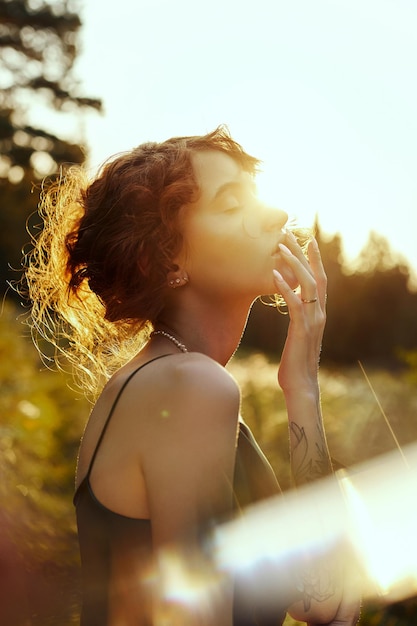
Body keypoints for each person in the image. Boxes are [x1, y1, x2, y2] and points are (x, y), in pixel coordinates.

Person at [25, 126, 359, 626]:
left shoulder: (191, 392)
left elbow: (324, 598)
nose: (274, 214)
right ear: (164, 260)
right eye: (230, 206)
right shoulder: (187, 388)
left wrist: (302, 387)